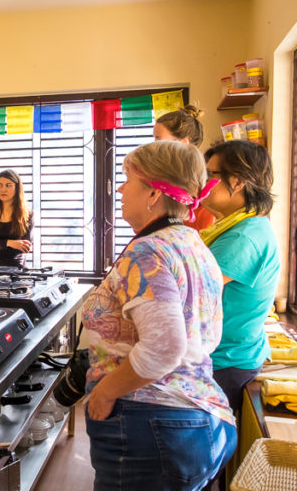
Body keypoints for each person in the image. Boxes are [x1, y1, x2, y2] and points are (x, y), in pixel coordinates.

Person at [82, 140, 236, 490]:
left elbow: (165, 347)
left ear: (153, 194)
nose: (120, 189)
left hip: (152, 421)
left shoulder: (148, 251)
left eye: (128, 180)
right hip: (199, 415)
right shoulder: (192, 244)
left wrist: (105, 392)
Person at [200, 140, 280, 414]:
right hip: (233, 354)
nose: (203, 183)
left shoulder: (243, 238)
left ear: (236, 181)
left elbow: (191, 292)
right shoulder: (243, 225)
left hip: (225, 361)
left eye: (210, 174)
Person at [153, 104, 215, 230]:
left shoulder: (200, 179)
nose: (154, 146)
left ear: (183, 143)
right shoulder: (163, 174)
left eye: (159, 140)